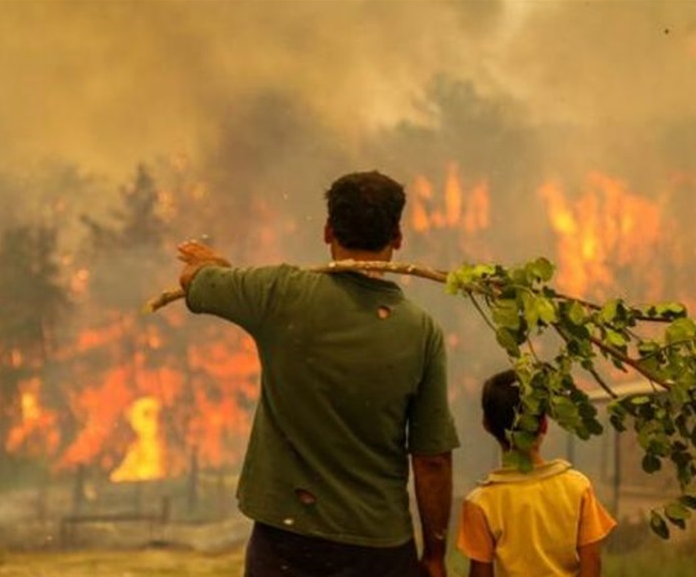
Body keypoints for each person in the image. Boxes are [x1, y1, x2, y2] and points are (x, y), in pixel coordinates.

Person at [176, 170, 459, 577]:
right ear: (397, 237)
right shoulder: (420, 331)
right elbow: (432, 459)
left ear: (328, 230)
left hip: (287, 545)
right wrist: (434, 554)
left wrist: (211, 266)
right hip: (377, 548)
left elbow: (194, 281)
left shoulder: (278, 294)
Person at [456, 370, 616, 577]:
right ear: (544, 424)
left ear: (486, 425)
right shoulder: (577, 487)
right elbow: (592, 563)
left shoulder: (480, 503)